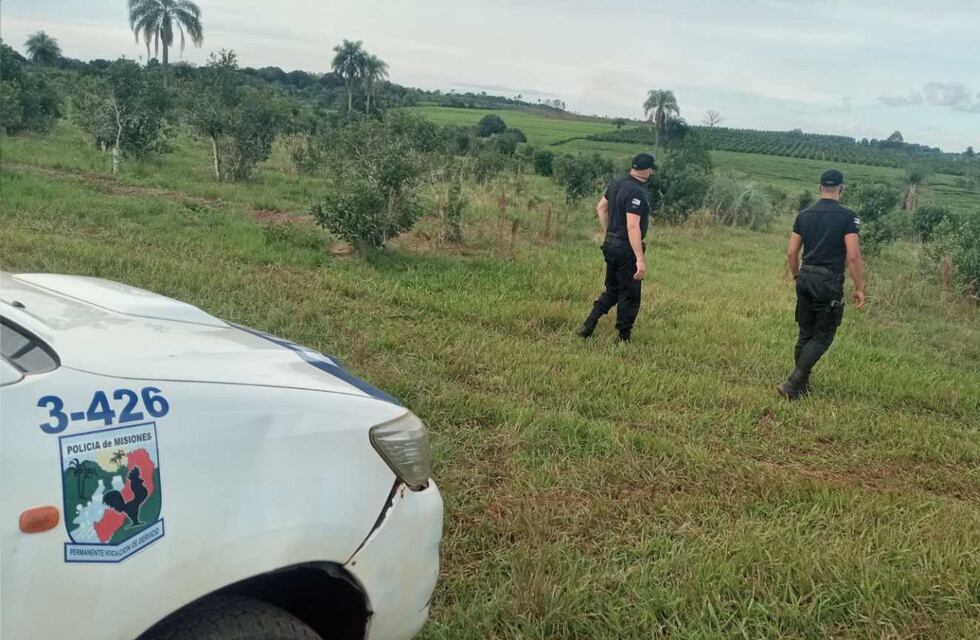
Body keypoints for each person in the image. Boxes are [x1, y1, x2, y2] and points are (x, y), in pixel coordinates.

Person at [778, 169, 865, 400]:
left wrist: (797, 276)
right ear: (841, 188)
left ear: (820, 187)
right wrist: (859, 288)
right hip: (828, 281)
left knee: (806, 332)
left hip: (805, 277)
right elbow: (853, 256)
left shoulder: (804, 215)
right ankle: (793, 383)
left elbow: (791, 253)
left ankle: (801, 385)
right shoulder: (848, 217)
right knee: (822, 336)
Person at [576, 153, 656, 342]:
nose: (651, 172)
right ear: (646, 171)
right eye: (651, 169)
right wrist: (640, 259)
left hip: (610, 245)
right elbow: (632, 225)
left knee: (612, 290)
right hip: (626, 250)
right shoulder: (636, 192)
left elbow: (601, 208)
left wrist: (609, 233)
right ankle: (623, 338)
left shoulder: (616, 184)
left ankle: (588, 326)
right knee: (629, 294)